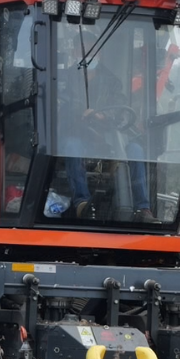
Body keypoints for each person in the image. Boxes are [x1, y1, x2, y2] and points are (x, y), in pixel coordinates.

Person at [50, 24, 154, 221]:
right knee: (71, 146)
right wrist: (82, 113)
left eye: (93, 50)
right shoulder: (64, 79)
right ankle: (82, 202)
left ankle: (143, 208)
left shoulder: (112, 81)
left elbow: (121, 109)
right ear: (74, 52)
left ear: (99, 53)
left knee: (136, 150)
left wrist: (104, 116)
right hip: (79, 136)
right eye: (83, 50)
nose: (89, 54)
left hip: (109, 141)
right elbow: (61, 104)